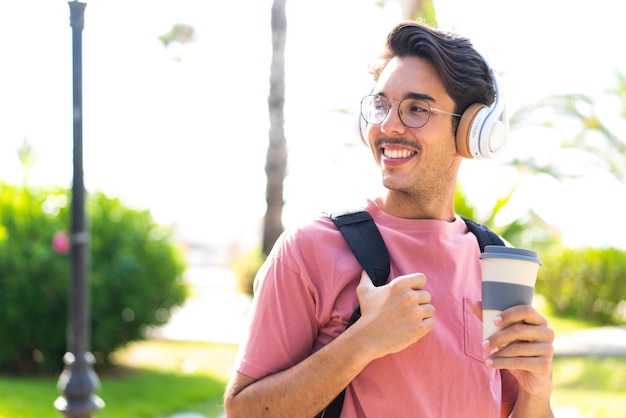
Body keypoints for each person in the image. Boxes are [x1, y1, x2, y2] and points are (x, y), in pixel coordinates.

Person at [224, 20, 555, 418]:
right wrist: (362, 342)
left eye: (417, 108)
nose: (389, 125)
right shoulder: (311, 248)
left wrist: (536, 393)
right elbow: (242, 411)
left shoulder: (496, 259)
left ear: (472, 130)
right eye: (381, 105)